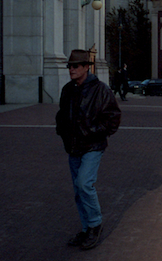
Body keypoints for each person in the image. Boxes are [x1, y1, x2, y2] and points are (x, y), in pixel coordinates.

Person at [56, 49, 121, 250]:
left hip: (92, 146)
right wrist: (62, 131)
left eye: (75, 66)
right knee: (78, 189)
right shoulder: (67, 89)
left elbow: (113, 119)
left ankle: (95, 224)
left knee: (84, 184)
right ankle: (86, 229)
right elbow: (61, 115)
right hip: (73, 147)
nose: (71, 69)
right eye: (69, 66)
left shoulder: (101, 90)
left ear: (86, 67)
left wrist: (91, 131)